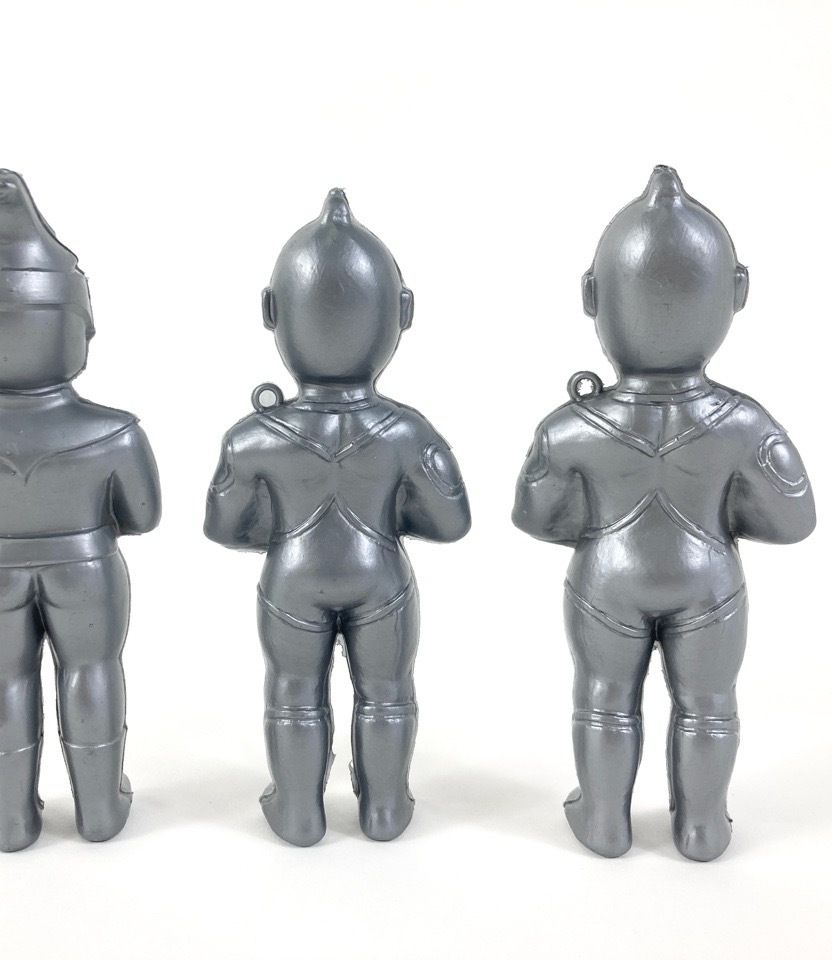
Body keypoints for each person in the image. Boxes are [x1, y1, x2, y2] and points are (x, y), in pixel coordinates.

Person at [513, 166, 815, 861]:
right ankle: (703, 827)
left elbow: (535, 516)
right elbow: (794, 521)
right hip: (710, 582)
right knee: (709, 704)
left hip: (605, 580)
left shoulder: (570, 426)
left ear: (592, 296)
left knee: (603, 698)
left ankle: (604, 821)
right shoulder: (746, 423)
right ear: (736, 293)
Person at [0, 170, 161, 852]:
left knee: (1, 680)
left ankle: (10, 819)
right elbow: (143, 514)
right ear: (80, 327)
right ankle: (100, 810)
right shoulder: (114, 431)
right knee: (92, 671)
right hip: (86, 567)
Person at [205, 189, 471, 845]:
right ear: (401, 313)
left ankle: (298, 812)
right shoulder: (408, 431)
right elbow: (450, 522)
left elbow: (224, 528)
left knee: (293, 692)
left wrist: (274, 516)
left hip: (291, 580)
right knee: (388, 693)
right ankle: (386, 809)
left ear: (272, 311)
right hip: (382, 579)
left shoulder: (252, 437)